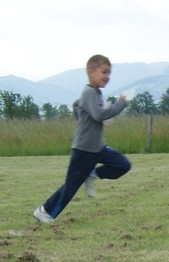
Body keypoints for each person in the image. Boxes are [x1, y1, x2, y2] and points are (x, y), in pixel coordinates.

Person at [33, 55, 132, 223]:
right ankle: (44, 211)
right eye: (104, 72)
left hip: (98, 147)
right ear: (91, 72)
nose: (107, 76)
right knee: (71, 185)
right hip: (84, 149)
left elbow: (76, 104)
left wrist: (84, 119)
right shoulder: (88, 92)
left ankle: (92, 173)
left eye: (109, 73)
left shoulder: (96, 93)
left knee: (122, 165)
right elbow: (99, 115)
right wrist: (120, 104)